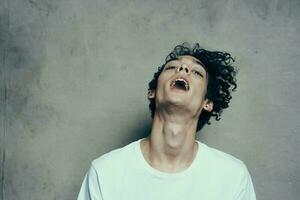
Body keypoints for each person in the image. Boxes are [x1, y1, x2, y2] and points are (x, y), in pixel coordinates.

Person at [77, 43, 256, 200]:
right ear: (152, 92)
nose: (183, 69)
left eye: (196, 72)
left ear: (207, 103)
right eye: (172, 67)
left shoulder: (232, 177)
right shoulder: (105, 172)